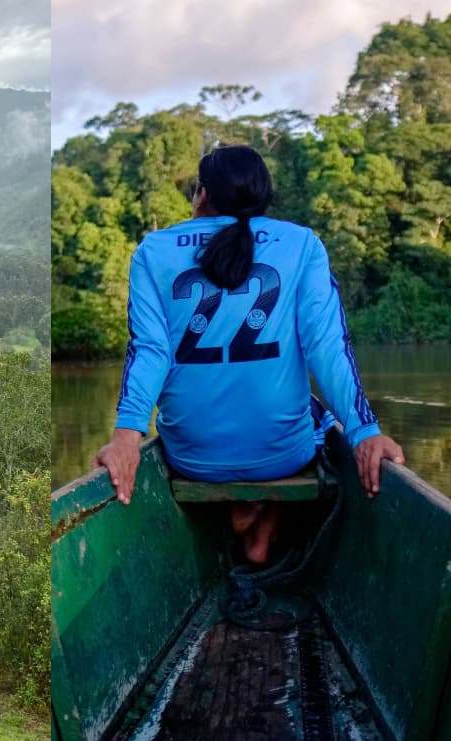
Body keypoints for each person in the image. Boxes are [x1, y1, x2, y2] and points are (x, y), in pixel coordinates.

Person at [91, 145, 404, 563]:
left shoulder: (153, 250)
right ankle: (263, 521)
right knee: (319, 416)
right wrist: (365, 432)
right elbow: (326, 347)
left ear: (201, 195)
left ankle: (241, 510)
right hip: (281, 453)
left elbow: (150, 350)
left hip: (191, 456)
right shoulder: (302, 244)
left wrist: (126, 436)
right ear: (264, 196)